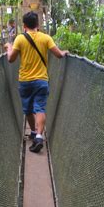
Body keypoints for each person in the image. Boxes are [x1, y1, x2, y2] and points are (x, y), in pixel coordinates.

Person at [5, 12, 68, 153]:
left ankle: (33, 131)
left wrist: (9, 48)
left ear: (24, 25)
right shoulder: (46, 38)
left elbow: (11, 59)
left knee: (28, 109)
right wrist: (63, 52)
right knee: (40, 108)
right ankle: (39, 135)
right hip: (41, 81)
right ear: (38, 25)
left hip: (25, 81)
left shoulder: (20, 39)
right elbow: (58, 54)